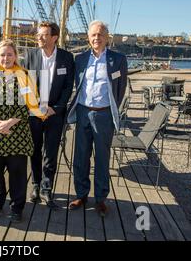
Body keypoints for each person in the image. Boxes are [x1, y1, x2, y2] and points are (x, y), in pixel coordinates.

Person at [67, 20, 128, 216]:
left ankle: (100, 199)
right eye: (93, 35)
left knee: (102, 158)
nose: (96, 38)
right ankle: (81, 194)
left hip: (104, 115)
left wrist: (110, 110)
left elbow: (121, 88)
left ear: (107, 37)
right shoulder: (81, 59)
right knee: (81, 156)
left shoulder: (118, 59)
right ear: (88, 38)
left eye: (100, 34)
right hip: (84, 112)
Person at [0, 40, 46, 222]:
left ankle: (17, 207)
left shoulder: (24, 76)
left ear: (16, 56)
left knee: (17, 174)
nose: (6, 58)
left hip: (17, 134)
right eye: (2, 54)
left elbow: (29, 105)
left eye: (10, 54)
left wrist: (8, 123)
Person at [22, 22, 75, 209]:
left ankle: (46, 187)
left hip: (54, 114)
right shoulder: (30, 55)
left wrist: (58, 107)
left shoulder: (67, 58)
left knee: (50, 153)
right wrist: (33, 106)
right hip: (34, 114)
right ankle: (36, 184)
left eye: (44, 35)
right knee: (35, 150)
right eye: (38, 34)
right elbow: (24, 83)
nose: (39, 37)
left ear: (54, 37)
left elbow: (69, 86)